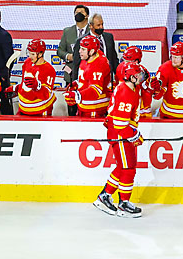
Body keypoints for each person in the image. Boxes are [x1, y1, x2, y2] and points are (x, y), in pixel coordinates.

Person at [93, 60, 145, 218]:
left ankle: (105, 196)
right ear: (130, 77)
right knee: (128, 168)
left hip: (121, 133)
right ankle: (123, 203)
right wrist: (134, 135)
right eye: (137, 75)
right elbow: (120, 123)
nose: (140, 77)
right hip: (121, 135)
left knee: (123, 166)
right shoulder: (126, 92)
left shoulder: (129, 87)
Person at [66, 34, 112, 118]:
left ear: (91, 51)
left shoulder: (99, 64)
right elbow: (87, 77)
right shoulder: (86, 57)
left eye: (83, 49)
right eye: (80, 48)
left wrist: (77, 95)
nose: (80, 51)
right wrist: (77, 83)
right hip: (84, 105)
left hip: (95, 108)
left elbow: (96, 90)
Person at [58, 5, 91, 115]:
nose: (78, 14)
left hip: (88, 74)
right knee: (71, 104)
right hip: (71, 73)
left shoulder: (91, 31)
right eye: (76, 12)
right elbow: (60, 51)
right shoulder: (67, 31)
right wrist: (68, 56)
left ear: (87, 15)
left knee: (87, 102)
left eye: (81, 12)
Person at [71, 14, 119, 84]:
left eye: (102, 24)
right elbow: (76, 64)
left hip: (107, 79)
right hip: (90, 80)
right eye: (98, 25)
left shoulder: (109, 37)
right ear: (91, 26)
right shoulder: (81, 41)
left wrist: (119, 77)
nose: (101, 27)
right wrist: (75, 83)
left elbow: (113, 59)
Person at [16, 38, 57, 116]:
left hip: (40, 109)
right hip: (23, 107)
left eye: (33, 54)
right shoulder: (27, 62)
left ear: (40, 54)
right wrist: (16, 88)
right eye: (29, 53)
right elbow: (24, 83)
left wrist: (37, 86)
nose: (30, 56)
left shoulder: (49, 69)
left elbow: (46, 94)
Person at [122, 46, 154, 114]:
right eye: (124, 60)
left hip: (139, 109)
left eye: (127, 61)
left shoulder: (143, 73)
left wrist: (145, 109)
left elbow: (147, 92)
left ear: (136, 61)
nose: (125, 63)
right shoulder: (121, 68)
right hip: (124, 106)